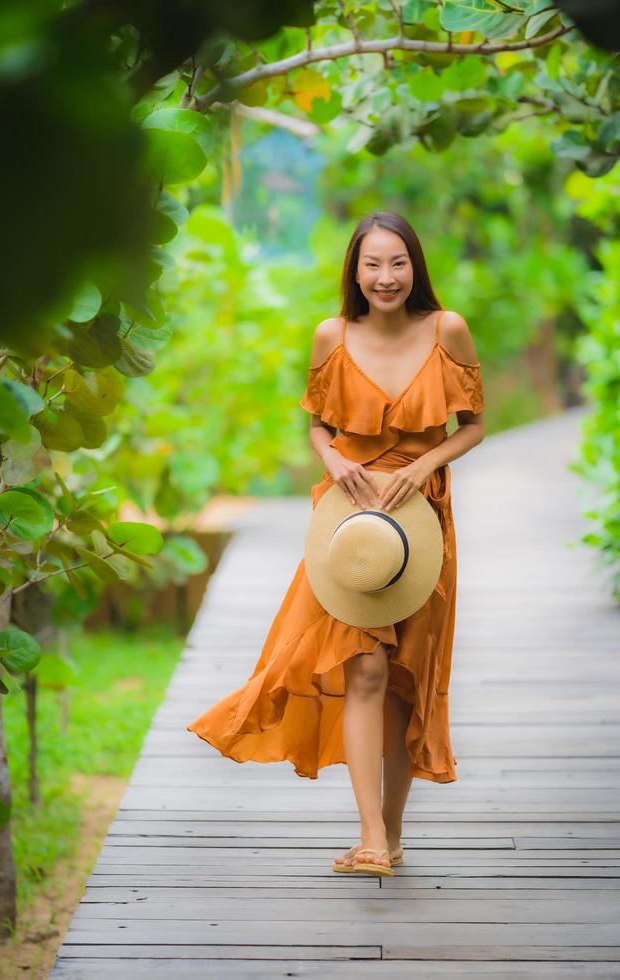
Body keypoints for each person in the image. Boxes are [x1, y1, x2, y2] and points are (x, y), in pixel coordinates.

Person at [187, 210, 486, 877]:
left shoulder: (447, 330)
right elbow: (320, 428)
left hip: (420, 522)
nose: (385, 277)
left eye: (397, 263)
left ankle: (393, 834)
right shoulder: (331, 336)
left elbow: (473, 426)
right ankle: (371, 837)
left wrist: (422, 464)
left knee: (405, 679)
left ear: (416, 267)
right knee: (365, 668)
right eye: (372, 264)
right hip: (348, 524)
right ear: (355, 270)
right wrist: (332, 459)